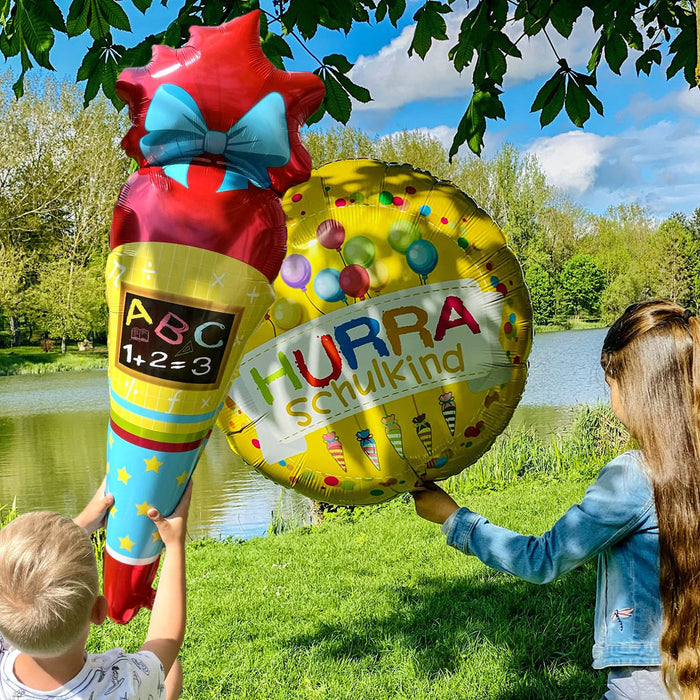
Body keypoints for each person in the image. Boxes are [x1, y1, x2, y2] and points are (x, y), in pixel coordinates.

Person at [412, 300, 700, 700]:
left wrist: (453, 518)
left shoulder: (632, 476)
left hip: (643, 684)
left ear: (636, 388)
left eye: (610, 382)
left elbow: (542, 559)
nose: (609, 394)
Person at [0, 477, 192, 699]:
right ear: (100, 611)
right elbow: (167, 636)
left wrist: (85, 522)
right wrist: (175, 544)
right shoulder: (124, 684)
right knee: (171, 671)